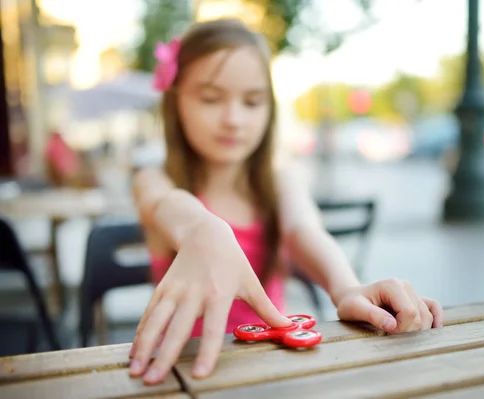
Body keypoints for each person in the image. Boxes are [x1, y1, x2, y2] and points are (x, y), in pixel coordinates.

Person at [128, 18, 444, 386]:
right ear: (175, 100)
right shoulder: (155, 178)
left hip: (273, 376)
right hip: (179, 374)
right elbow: (165, 203)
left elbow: (303, 229)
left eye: (252, 101)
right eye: (211, 98)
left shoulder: (280, 182)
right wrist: (202, 227)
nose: (233, 119)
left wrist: (345, 287)